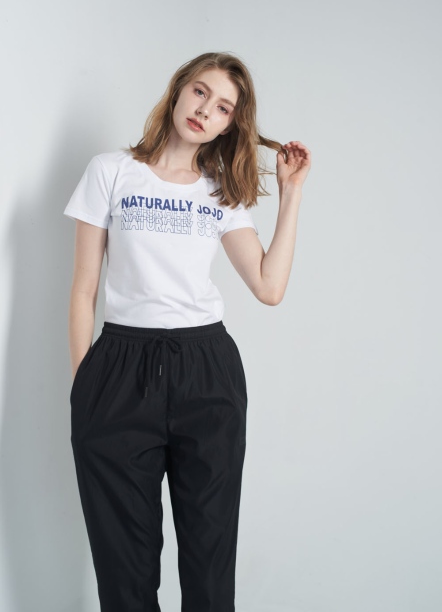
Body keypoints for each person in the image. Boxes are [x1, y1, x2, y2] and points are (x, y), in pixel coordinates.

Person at [63, 51, 311, 612]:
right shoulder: (111, 171)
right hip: (120, 368)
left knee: (209, 561)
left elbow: (269, 286)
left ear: (229, 124)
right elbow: (83, 289)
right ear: (178, 90)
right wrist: (84, 389)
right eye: (201, 92)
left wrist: (291, 194)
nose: (205, 110)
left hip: (207, 371)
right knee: (124, 570)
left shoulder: (220, 191)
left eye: (223, 107)